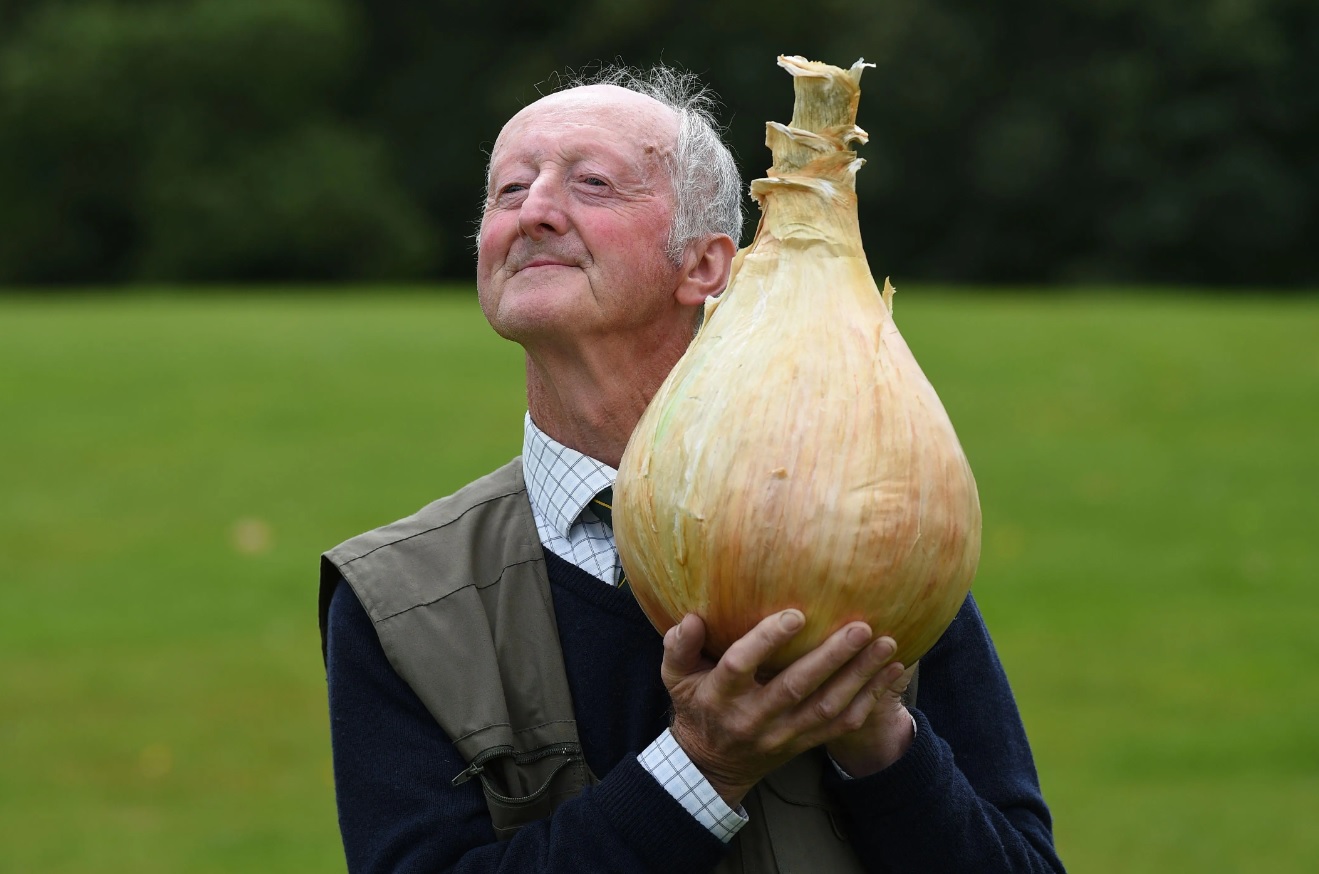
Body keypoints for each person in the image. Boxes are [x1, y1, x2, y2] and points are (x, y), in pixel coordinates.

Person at [319, 64, 1065, 874]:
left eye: (591, 184)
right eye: (507, 191)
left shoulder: (880, 529)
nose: (533, 212)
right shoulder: (397, 597)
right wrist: (700, 768)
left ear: (706, 266)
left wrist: (880, 743)